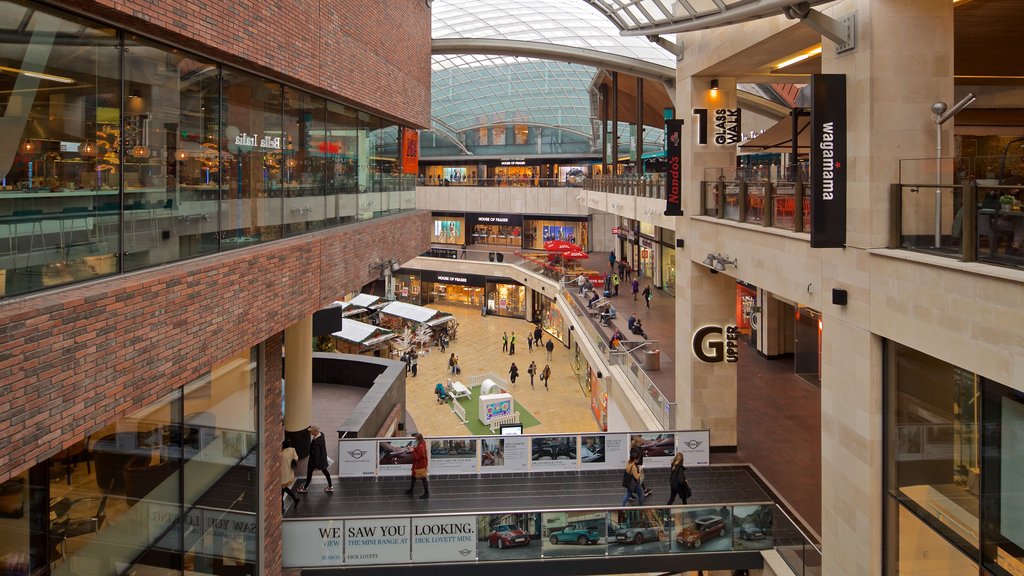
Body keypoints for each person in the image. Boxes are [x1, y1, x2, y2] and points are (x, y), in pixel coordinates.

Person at [299, 425, 333, 493]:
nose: (310, 432)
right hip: (322, 458)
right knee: (325, 472)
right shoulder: (321, 435)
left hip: (315, 461)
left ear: (314, 432)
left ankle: (305, 488)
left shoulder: (316, 442)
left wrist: (316, 466)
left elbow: (316, 455)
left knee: (309, 473)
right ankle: (330, 486)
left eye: (311, 431)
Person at [404, 433, 429, 499]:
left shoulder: (421, 446)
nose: (415, 440)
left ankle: (426, 493)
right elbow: (419, 452)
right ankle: (411, 489)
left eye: (415, 438)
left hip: (420, 465)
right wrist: (413, 449)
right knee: (413, 477)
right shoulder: (422, 444)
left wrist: (412, 451)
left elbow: (417, 457)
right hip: (419, 465)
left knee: (423, 479)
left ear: (418, 439)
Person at [280, 439, 300, 509]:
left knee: (282, 488)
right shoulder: (292, 449)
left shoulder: (281, 454)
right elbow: (296, 458)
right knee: (282, 488)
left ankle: (294, 498)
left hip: (283, 474)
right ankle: (293, 499)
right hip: (290, 473)